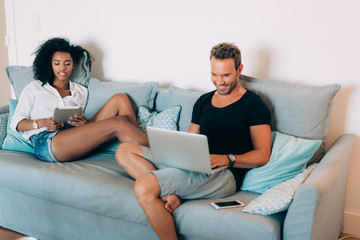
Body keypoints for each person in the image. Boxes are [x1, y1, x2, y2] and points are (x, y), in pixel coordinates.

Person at [116, 42, 272, 239]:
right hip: (193, 163)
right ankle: (170, 192)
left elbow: (263, 154)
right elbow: (190, 139)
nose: (219, 81)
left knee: (143, 187)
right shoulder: (203, 101)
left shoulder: (253, 104)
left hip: (223, 173)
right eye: (214, 74)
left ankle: (166, 187)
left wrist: (228, 159)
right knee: (125, 150)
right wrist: (175, 153)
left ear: (239, 70)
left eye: (225, 75)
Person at [10, 37, 148, 163]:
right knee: (119, 122)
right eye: (57, 63)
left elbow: (83, 127)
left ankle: (137, 151)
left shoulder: (81, 91)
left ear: (73, 65)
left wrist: (83, 123)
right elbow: (16, 124)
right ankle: (158, 153)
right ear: (50, 64)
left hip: (73, 137)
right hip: (47, 141)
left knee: (121, 98)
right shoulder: (35, 88)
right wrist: (43, 122)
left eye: (67, 63)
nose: (62, 68)